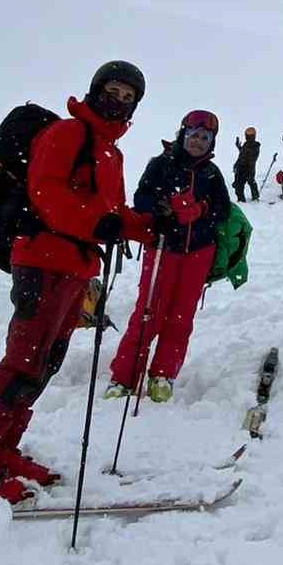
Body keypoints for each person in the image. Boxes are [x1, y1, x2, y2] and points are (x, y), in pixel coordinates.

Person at [0, 61, 154, 505]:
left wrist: (153, 227)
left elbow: (111, 214)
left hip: (77, 267)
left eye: (127, 96)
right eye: (112, 90)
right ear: (95, 90)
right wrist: (101, 223)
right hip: (42, 258)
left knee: (45, 362)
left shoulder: (111, 154)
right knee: (23, 361)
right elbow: (46, 193)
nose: (118, 100)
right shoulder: (68, 134)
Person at [105, 110, 233, 403]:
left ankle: (163, 373)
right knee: (149, 311)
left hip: (198, 252)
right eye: (194, 135)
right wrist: (162, 210)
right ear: (183, 134)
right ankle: (123, 377)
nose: (198, 142)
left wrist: (199, 210)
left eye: (205, 137)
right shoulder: (161, 165)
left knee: (181, 315)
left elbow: (222, 209)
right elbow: (141, 198)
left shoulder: (211, 173)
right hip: (163, 247)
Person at [233, 127, 261, 202]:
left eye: (249, 136)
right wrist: (239, 146)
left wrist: (247, 171)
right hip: (241, 167)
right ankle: (241, 200)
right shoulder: (246, 144)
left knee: (251, 181)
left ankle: (255, 198)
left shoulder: (255, 146)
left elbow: (251, 158)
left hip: (248, 168)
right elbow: (243, 153)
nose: (247, 137)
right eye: (246, 135)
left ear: (253, 136)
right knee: (239, 185)